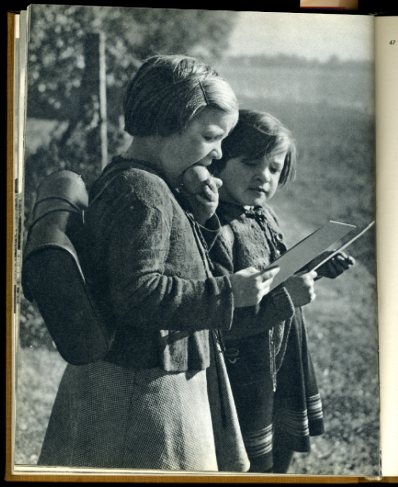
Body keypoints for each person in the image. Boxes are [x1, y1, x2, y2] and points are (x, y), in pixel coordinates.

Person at [36, 56, 281, 472]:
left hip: (147, 378)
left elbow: (168, 261)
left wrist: (200, 219)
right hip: (141, 390)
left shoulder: (147, 182)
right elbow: (137, 292)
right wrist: (228, 292)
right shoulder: (142, 193)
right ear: (166, 123)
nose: (218, 152)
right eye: (209, 136)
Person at [196, 109, 354, 473]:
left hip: (281, 355)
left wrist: (315, 262)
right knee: (249, 458)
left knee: (281, 448)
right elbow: (220, 317)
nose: (262, 176)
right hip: (246, 363)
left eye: (273, 168)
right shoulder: (214, 227)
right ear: (220, 160)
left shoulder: (262, 214)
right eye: (250, 162)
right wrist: (286, 299)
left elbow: (276, 271)